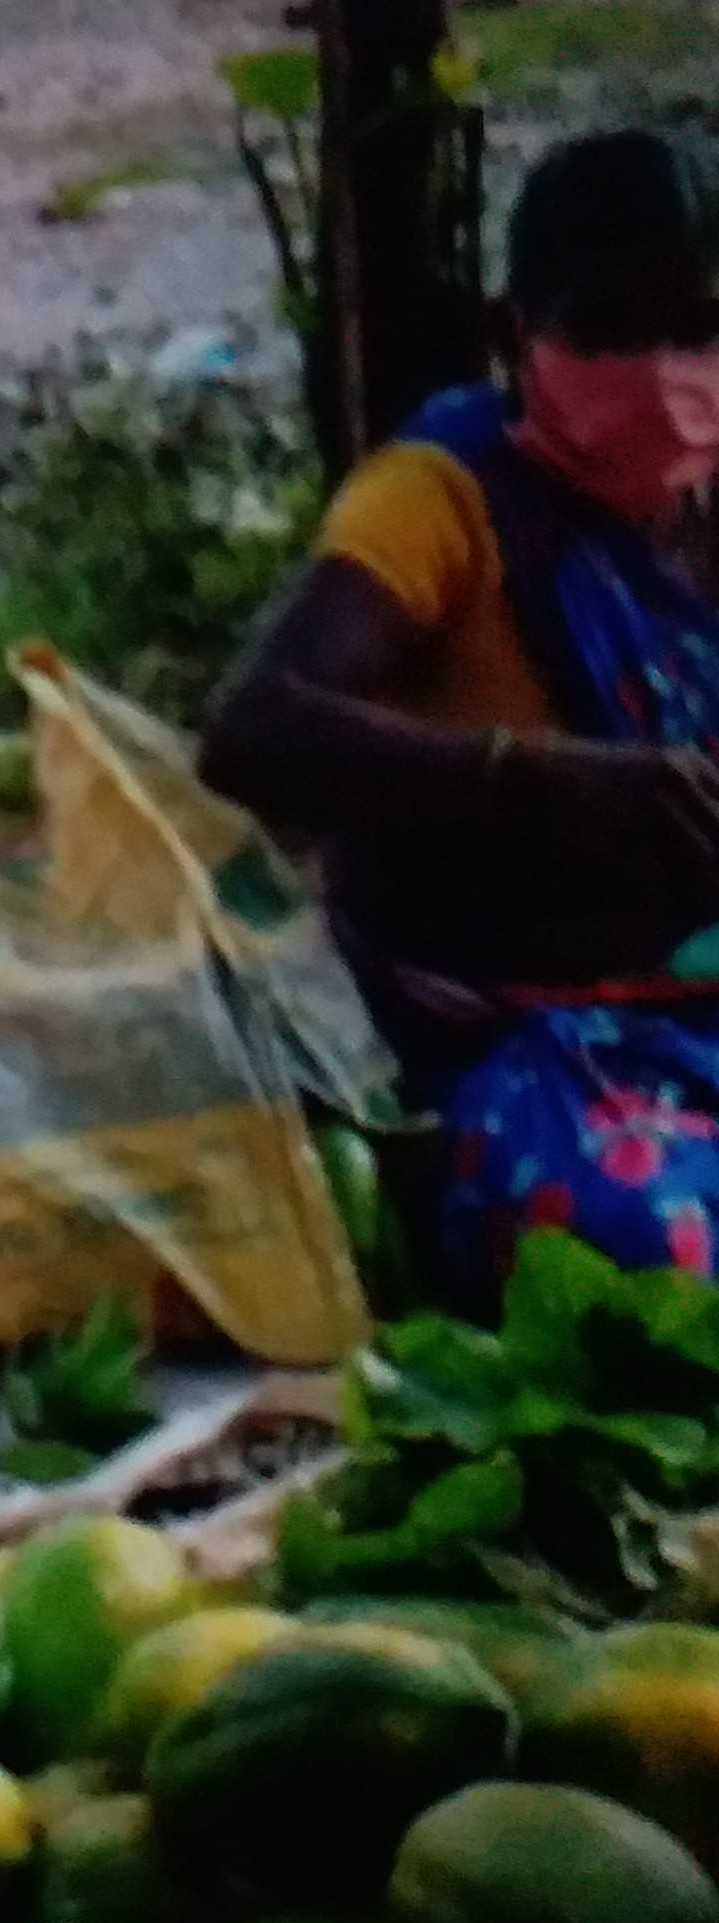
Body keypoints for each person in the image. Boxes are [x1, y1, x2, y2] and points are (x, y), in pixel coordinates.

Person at [200, 126, 719, 1291]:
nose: (663, 372)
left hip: (696, 1004)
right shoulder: (444, 495)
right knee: (658, 1255)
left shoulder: (706, 509)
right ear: (510, 335)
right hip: (514, 1046)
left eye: (697, 330)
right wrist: (533, 777)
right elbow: (254, 729)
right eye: (608, 330)